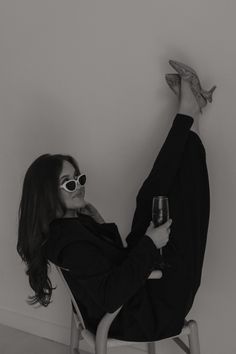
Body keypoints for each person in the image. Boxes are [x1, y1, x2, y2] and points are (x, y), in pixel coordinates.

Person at [17, 69, 211, 342]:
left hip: (136, 300)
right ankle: (192, 120)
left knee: (149, 196)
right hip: (146, 314)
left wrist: (97, 224)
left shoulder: (63, 230)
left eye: (79, 178)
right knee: (187, 208)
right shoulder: (70, 244)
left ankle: (188, 117)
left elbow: (104, 266)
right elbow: (110, 295)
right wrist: (150, 243)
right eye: (69, 183)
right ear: (46, 195)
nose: (79, 185)